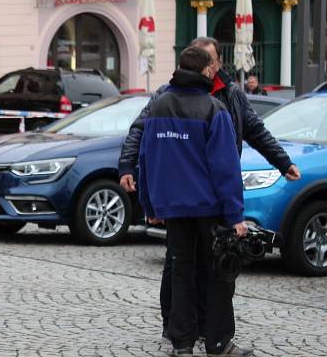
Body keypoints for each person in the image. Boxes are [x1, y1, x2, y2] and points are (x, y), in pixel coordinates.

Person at [119, 36, 300, 340]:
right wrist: (127, 168)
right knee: (190, 267)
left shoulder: (229, 95)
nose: (209, 64)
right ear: (202, 68)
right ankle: (186, 331)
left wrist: (282, 161)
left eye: (211, 58)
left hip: (190, 198)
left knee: (198, 264)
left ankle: (188, 335)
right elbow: (221, 165)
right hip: (207, 198)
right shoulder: (191, 103)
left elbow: (255, 130)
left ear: (216, 63)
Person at [138, 46, 249, 357]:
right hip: (208, 206)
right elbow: (226, 168)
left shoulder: (157, 106)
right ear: (208, 73)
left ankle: (182, 342)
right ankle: (217, 341)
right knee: (218, 272)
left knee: (181, 271)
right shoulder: (214, 109)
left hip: (173, 206)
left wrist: (149, 206)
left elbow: (145, 160)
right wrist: (235, 215)